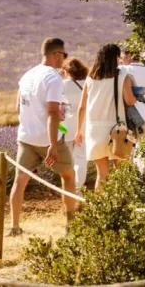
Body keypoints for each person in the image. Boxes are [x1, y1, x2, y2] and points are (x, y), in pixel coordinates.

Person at [10, 38, 78, 236]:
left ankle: (15, 226)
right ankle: (70, 225)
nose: (65, 59)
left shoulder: (27, 75)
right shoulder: (53, 79)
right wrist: (53, 145)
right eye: (64, 55)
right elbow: (53, 112)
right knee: (68, 176)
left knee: (19, 182)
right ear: (56, 55)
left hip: (26, 137)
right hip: (48, 139)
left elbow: (18, 107)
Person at [75, 43, 137, 192]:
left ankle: (101, 205)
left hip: (94, 130)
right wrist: (136, 96)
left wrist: (79, 131)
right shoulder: (122, 76)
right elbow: (130, 101)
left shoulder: (91, 78)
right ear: (115, 58)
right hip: (117, 130)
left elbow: (82, 107)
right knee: (122, 173)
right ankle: (122, 203)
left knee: (101, 175)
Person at [61, 57, 89, 192]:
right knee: (81, 159)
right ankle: (77, 189)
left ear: (66, 71)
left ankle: (68, 188)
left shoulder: (62, 85)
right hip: (83, 125)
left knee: (67, 160)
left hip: (65, 126)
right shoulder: (87, 84)